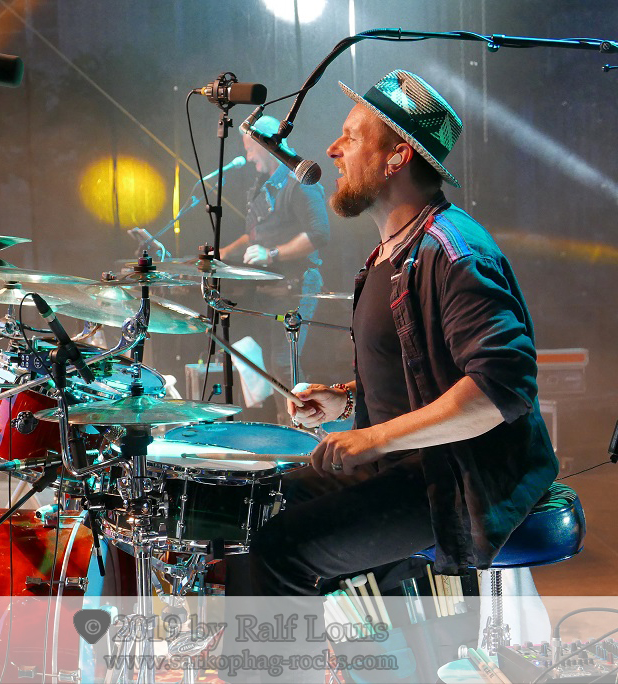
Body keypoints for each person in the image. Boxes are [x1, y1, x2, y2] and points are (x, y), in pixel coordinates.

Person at [237, 70, 559, 597]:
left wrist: (372, 438)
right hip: (402, 465)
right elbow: (418, 375)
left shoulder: (455, 253)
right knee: (257, 503)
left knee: (281, 549)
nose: (332, 150)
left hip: (452, 479)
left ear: (397, 157)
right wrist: (343, 400)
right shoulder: (390, 255)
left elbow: (502, 390)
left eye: (351, 137)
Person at [218, 116, 330, 416]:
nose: (248, 156)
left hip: (298, 284)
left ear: (266, 144)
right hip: (273, 288)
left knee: (284, 362)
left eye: (249, 148)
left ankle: (305, 427)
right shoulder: (267, 187)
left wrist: (271, 254)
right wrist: (223, 253)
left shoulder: (299, 182)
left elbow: (318, 234)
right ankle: (288, 423)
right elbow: (256, 234)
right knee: (273, 364)